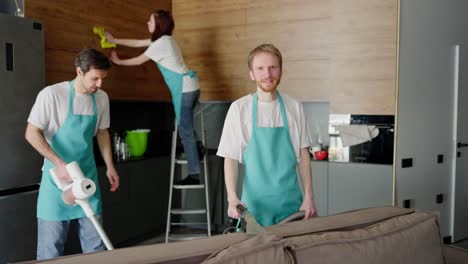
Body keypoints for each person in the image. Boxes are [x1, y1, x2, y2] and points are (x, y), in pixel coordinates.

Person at [25, 48, 120, 260]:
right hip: (57, 182)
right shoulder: (52, 95)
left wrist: (110, 166)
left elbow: (102, 132)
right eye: (95, 78)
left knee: (96, 247)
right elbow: (31, 133)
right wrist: (58, 163)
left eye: (103, 79)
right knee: (50, 250)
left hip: (87, 179)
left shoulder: (101, 98)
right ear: (79, 71)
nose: (100, 84)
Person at [217, 44, 317, 227]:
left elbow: (304, 157)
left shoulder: (294, 107)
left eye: (273, 67)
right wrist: (232, 198)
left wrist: (309, 197)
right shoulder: (239, 109)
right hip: (253, 212)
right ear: (251, 74)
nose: (267, 74)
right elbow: (230, 158)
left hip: (292, 209)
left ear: (281, 71)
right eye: (260, 68)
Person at [105, 9, 202, 185]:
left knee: (185, 131)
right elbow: (138, 43)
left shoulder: (160, 44)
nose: (147, 23)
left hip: (184, 89)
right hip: (191, 86)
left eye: (150, 21)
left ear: (158, 25)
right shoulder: (165, 40)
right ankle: (198, 149)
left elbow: (139, 60)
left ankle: (194, 175)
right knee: (186, 126)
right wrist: (115, 40)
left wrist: (119, 62)